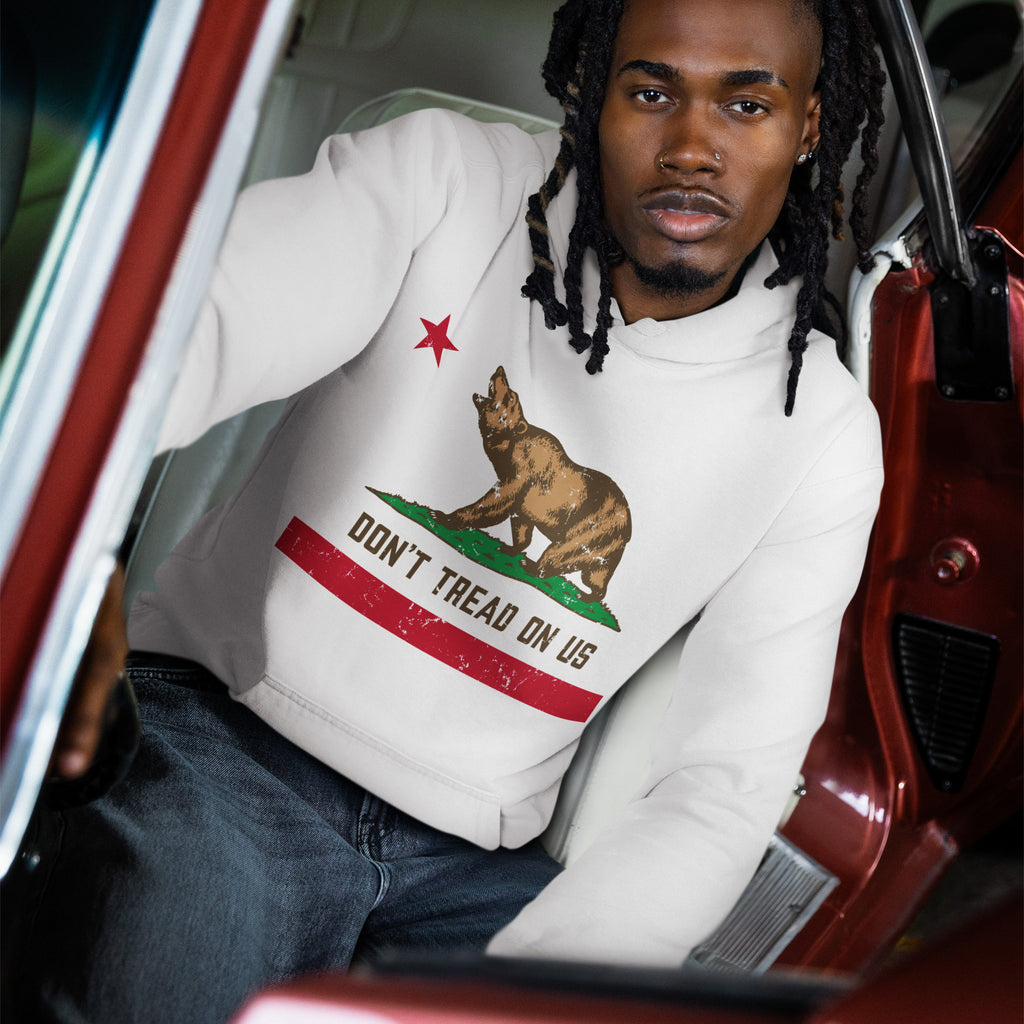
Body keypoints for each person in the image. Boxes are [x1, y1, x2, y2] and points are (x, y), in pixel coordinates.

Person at [17, 0, 886, 1019]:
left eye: (747, 104)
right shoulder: (441, 180)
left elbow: (721, 785)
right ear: (591, 94)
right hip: (224, 740)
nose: (693, 146)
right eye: (652, 92)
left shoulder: (820, 431)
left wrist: (542, 987)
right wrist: (62, 561)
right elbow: (182, 339)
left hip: (476, 857)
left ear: (809, 125)